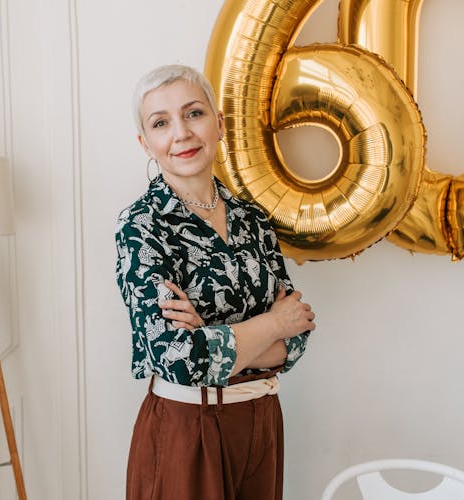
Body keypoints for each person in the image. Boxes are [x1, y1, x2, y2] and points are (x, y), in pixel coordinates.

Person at [115, 64, 316, 500]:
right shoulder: (142, 227)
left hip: (263, 421)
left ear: (219, 124)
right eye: (161, 123)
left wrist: (213, 337)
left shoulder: (253, 221)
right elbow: (181, 361)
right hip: (188, 431)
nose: (181, 133)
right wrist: (273, 324)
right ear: (145, 143)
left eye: (193, 114)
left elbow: (298, 337)